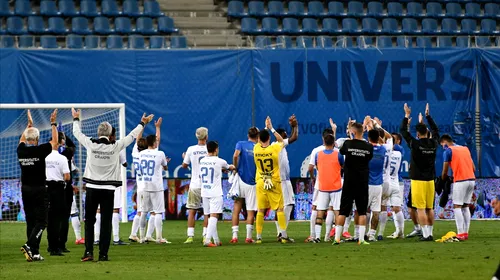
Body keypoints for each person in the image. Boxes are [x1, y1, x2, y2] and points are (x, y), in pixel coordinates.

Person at [74, 108, 153, 262]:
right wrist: (142, 123)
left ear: (98, 133)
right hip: (108, 190)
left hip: (92, 189)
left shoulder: (91, 144)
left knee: (89, 221)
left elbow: (77, 133)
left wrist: (76, 119)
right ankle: (103, 254)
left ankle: (89, 252)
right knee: (106, 222)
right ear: (110, 134)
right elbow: (132, 136)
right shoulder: (116, 146)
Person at [18, 109, 58, 262]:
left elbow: (22, 139)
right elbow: (54, 142)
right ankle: (29, 245)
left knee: (31, 221)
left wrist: (28, 125)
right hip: (39, 190)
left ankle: (34, 253)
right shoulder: (40, 150)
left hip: (25, 190)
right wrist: (53, 123)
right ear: (37, 139)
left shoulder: (20, 151)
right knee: (42, 221)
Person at [400, 103, 439, 241]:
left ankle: (425, 234)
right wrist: (428, 116)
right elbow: (435, 130)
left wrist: (406, 115)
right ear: (427, 133)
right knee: (430, 208)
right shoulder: (434, 143)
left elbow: (403, 131)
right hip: (430, 180)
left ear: (417, 134)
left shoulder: (415, 144)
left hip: (417, 180)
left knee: (420, 209)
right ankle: (430, 233)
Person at [254, 117, 293, 244]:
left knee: (260, 210)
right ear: (269, 138)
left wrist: (265, 128)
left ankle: (259, 237)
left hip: (261, 181)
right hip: (274, 182)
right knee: (280, 209)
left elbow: (259, 139)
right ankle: (283, 236)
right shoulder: (274, 149)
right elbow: (281, 140)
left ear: (259, 139)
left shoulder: (256, 149)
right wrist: (271, 128)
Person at [333, 121, 373, 245]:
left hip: (349, 181)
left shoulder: (348, 143)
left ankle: (337, 239)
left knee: (343, 211)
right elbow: (369, 158)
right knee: (362, 211)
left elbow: (341, 152)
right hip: (362, 182)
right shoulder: (368, 146)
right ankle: (361, 239)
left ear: (353, 132)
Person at [94, 127, 129, 246]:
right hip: (113, 182)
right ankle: (115, 238)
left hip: (98, 181)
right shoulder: (117, 147)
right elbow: (125, 164)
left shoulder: (95, 146)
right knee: (114, 210)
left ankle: (96, 238)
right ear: (112, 136)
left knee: (98, 210)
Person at [440, 134, 476, 241]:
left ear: (445, 142)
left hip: (460, 181)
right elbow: (473, 167)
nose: (442, 147)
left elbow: (445, 171)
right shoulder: (465, 149)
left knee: (457, 207)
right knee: (465, 206)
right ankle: (465, 232)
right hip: (471, 180)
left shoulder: (448, 151)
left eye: (442, 144)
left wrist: (443, 179)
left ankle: (460, 233)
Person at [138, 131, 171, 244]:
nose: (157, 143)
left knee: (144, 211)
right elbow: (165, 167)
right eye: (156, 141)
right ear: (153, 143)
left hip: (145, 184)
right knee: (158, 212)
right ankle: (159, 237)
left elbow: (140, 169)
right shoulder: (160, 153)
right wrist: (165, 164)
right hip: (156, 185)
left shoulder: (141, 154)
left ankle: (141, 237)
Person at [201, 141, 235, 247]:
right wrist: (233, 167)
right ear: (216, 149)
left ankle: (216, 240)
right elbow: (230, 167)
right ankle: (207, 240)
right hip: (215, 192)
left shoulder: (202, 160)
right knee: (214, 216)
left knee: (210, 216)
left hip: (205, 192)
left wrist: (221, 170)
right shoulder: (220, 161)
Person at [313, 133, 344, 243]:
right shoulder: (338, 154)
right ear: (334, 142)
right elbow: (343, 166)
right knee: (337, 212)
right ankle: (337, 238)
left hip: (323, 187)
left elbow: (317, 167)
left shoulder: (318, 154)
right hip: (336, 187)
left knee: (320, 212)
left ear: (324, 141)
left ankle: (317, 237)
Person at [230, 127, 259, 243]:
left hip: (240, 180)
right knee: (251, 210)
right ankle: (248, 237)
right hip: (252, 182)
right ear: (257, 136)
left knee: (236, 207)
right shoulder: (258, 147)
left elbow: (236, 155)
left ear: (248, 135)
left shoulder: (240, 144)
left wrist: (235, 168)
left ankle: (234, 236)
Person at [45, 132, 71, 256]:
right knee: (59, 219)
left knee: (49, 219)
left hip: (46, 188)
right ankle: (57, 247)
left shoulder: (44, 157)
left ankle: (50, 245)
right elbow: (67, 177)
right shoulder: (62, 158)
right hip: (59, 189)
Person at [306, 127, 333, 242]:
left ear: (323, 137)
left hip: (320, 182)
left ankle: (313, 235)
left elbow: (310, 168)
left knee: (316, 208)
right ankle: (327, 235)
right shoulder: (337, 150)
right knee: (331, 208)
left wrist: (313, 177)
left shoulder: (316, 150)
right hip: (334, 182)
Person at [182, 127, 209, 244]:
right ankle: (205, 236)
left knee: (192, 211)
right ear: (206, 137)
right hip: (207, 185)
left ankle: (190, 236)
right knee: (207, 212)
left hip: (195, 184)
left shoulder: (191, 149)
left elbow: (184, 165)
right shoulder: (210, 149)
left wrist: (184, 158)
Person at [274, 115, 298, 238]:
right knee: (288, 205)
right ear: (281, 135)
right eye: (284, 134)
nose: (286, 136)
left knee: (279, 208)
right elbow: (294, 137)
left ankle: (280, 231)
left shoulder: (272, 146)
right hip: (283, 181)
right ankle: (282, 233)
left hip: (274, 181)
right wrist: (295, 126)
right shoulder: (280, 144)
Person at [365, 126, 386, 242]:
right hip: (378, 185)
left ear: (368, 138)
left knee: (364, 210)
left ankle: (361, 234)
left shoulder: (367, 149)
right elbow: (382, 143)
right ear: (378, 138)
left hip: (367, 184)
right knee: (376, 211)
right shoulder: (383, 150)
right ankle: (372, 234)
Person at [384, 133, 405, 239]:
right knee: (396, 208)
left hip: (386, 182)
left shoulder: (395, 149)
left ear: (398, 141)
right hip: (397, 181)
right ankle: (400, 232)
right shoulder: (399, 153)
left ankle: (375, 233)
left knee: (383, 207)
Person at [58, 132, 76, 253]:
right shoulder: (66, 155)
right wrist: (65, 136)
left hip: (53, 188)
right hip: (66, 188)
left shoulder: (47, 155)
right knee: (64, 217)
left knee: (54, 217)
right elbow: (72, 146)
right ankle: (62, 244)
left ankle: (53, 244)